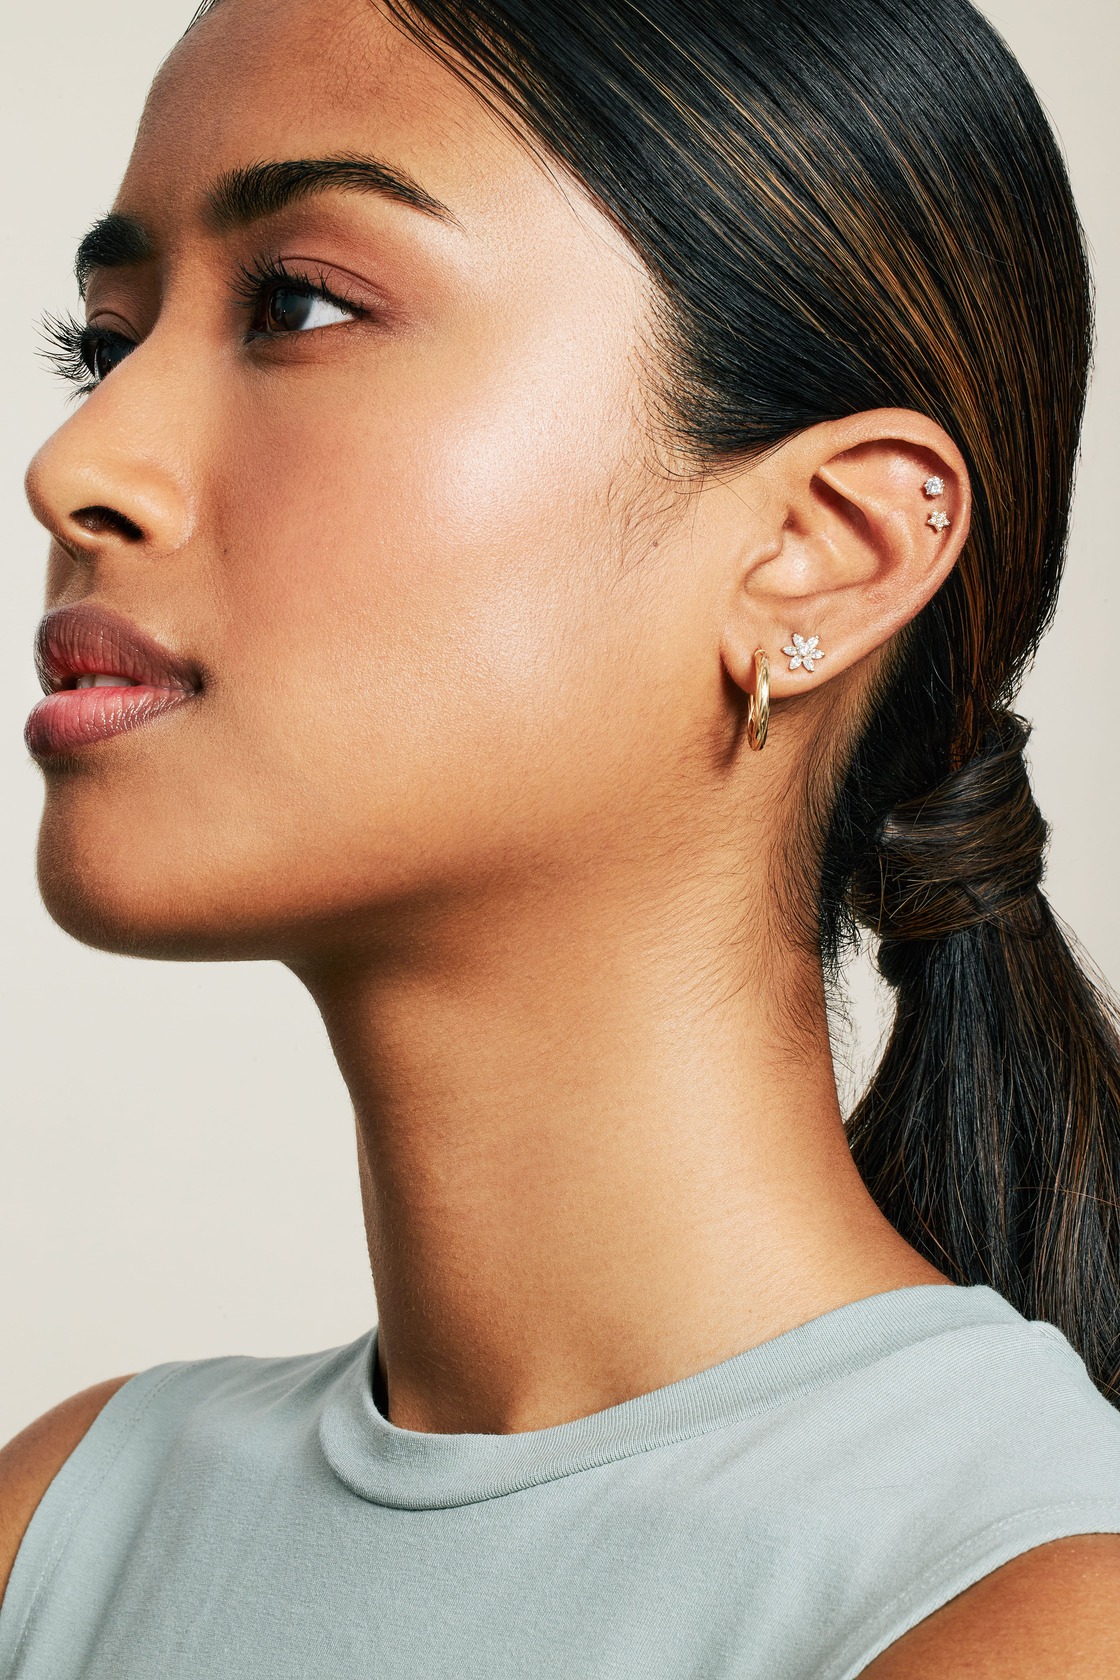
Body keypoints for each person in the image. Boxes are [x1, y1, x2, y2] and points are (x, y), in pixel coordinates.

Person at [2, 0, 1120, 1672]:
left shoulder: (1022, 1612)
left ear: (823, 548)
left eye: (300, 305)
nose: (76, 467)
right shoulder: (67, 1522)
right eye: (106, 343)